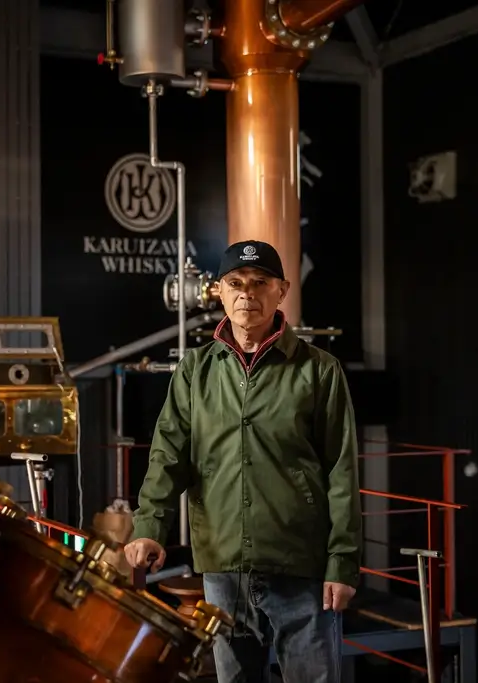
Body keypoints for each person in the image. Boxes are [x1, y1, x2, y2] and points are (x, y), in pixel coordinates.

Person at [124, 240, 362, 683]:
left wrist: (343, 563)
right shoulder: (196, 370)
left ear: (282, 290)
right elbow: (167, 455)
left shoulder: (319, 370)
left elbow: (342, 472)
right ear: (219, 291)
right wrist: (148, 528)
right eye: (235, 283)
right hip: (223, 568)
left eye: (260, 283)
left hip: (301, 568)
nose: (246, 294)